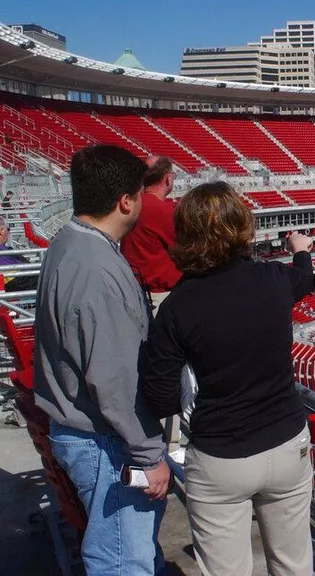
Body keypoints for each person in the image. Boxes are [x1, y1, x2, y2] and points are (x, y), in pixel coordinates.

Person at [142, 182, 315, 576]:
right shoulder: (273, 279)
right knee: (294, 565)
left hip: (221, 454)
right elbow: (303, 279)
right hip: (287, 443)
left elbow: (159, 396)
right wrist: (301, 250)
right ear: (242, 228)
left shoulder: (177, 307)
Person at [33, 145, 170, 576]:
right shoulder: (95, 267)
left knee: (129, 552)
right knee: (120, 561)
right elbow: (113, 381)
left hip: (94, 436)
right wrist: (149, 455)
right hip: (106, 442)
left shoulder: (71, 244)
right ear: (126, 201)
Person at [121, 155, 182, 314]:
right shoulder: (164, 211)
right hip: (160, 295)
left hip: (133, 289)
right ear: (168, 179)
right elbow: (186, 249)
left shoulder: (132, 204)